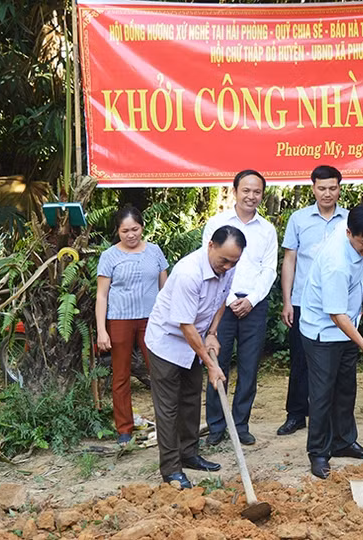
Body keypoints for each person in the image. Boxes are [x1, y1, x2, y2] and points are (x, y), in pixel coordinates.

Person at [145, 225, 246, 489]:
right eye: (224, 260)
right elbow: (185, 325)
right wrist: (211, 364)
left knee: (191, 399)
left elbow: (221, 301)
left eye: (233, 261)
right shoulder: (189, 273)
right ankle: (170, 469)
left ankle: (188, 453)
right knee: (169, 408)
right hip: (167, 342)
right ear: (211, 245)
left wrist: (212, 332)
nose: (227, 266)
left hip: (195, 341)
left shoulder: (228, 267)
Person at [300, 203, 363, 479]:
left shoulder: (351, 228)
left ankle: (343, 441)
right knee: (323, 393)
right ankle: (319, 452)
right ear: (350, 233)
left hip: (349, 325)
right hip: (323, 332)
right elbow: (336, 314)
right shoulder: (336, 262)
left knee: (346, 387)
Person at [202, 170, 278, 446]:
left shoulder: (267, 230)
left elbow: (269, 269)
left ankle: (241, 424)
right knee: (216, 363)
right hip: (221, 305)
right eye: (246, 190)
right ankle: (216, 426)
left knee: (249, 367)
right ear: (235, 191)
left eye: (257, 191)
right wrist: (231, 297)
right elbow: (208, 263)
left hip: (254, 306)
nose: (251, 196)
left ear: (262, 194)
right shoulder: (216, 223)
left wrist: (251, 300)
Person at [278, 165, 348, 436]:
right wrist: (287, 300)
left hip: (336, 304)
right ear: (313, 189)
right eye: (322, 188)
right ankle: (296, 414)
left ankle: (329, 417)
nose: (327, 193)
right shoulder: (299, 218)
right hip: (303, 301)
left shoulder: (349, 221)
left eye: (332, 188)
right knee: (300, 360)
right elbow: (290, 260)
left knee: (335, 364)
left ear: (339, 188)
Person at [96, 206, 169, 445]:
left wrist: (168, 321)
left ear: (142, 227)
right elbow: (102, 295)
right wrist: (101, 330)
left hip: (153, 320)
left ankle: (166, 423)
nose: (130, 235)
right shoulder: (109, 256)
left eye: (135, 229)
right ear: (117, 231)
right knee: (120, 375)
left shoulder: (155, 252)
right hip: (119, 319)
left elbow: (165, 290)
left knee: (159, 371)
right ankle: (124, 429)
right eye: (125, 230)